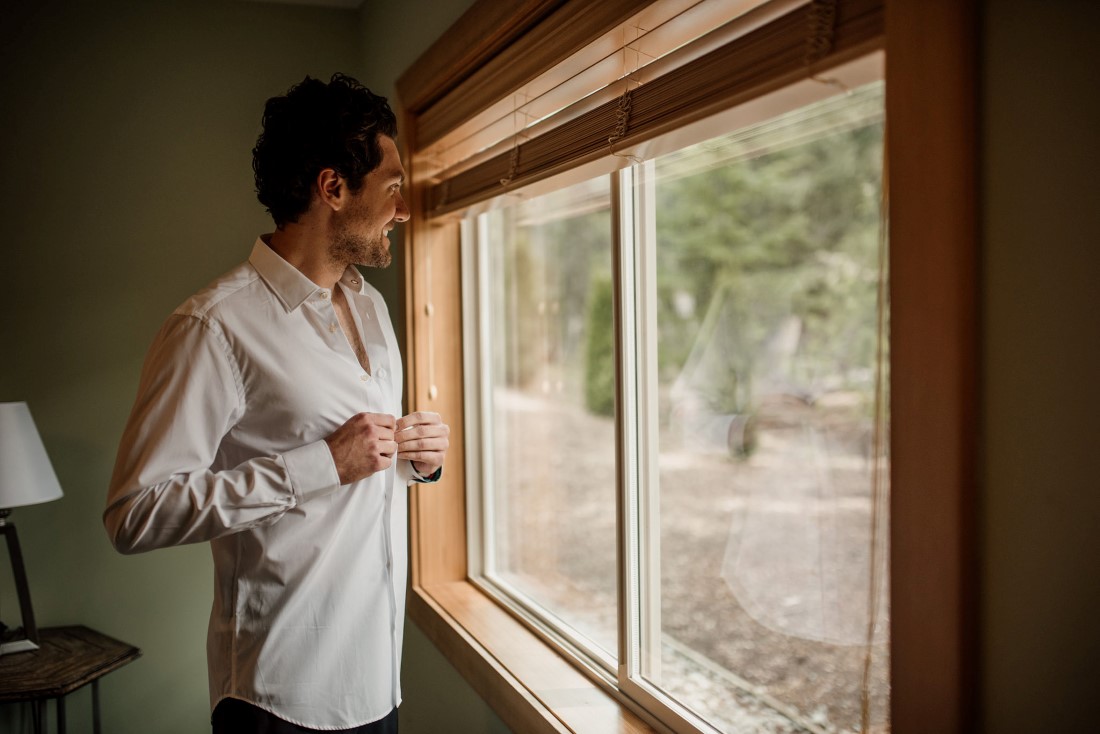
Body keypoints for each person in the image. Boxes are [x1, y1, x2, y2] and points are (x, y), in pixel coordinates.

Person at [104, 73, 448, 734]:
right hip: (280, 698)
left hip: (378, 681)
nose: (404, 211)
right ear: (333, 188)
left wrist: (416, 460)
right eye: (394, 188)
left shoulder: (371, 308)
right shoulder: (214, 326)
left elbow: (363, 462)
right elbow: (132, 514)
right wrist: (321, 465)